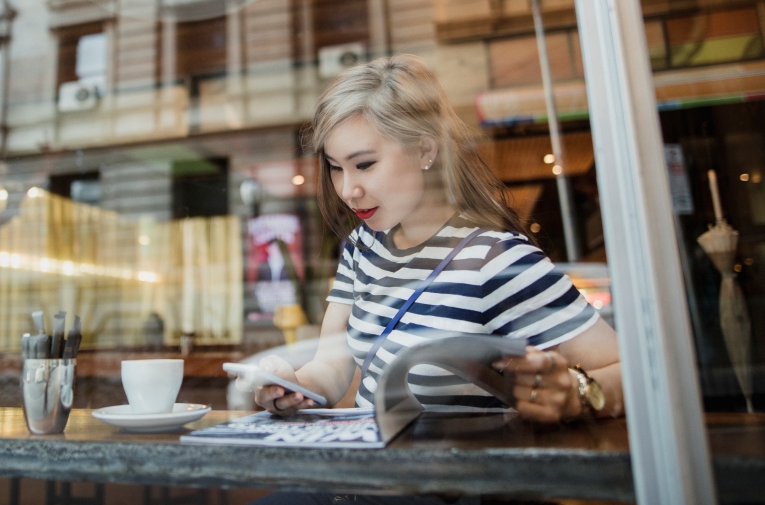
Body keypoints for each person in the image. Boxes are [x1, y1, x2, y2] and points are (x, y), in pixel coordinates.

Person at [245, 55, 623, 504]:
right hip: (365, 483)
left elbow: (632, 373)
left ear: (426, 150)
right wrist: (292, 385)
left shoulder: (494, 259)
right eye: (335, 167)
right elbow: (332, 365)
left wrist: (577, 393)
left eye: (364, 164)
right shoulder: (363, 248)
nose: (348, 190)